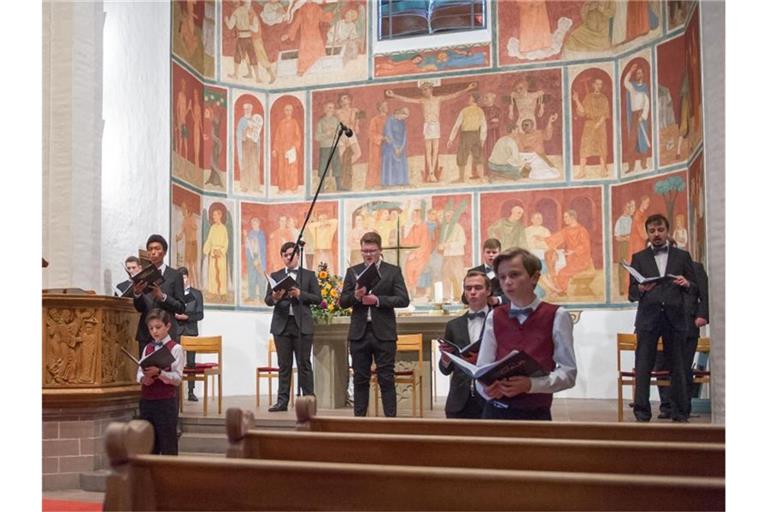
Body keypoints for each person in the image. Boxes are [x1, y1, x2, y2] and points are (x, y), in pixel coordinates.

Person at [475, 248, 577, 420]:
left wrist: (532, 385)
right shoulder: (495, 316)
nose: (507, 282)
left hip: (535, 414)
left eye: (514, 275)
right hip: (495, 412)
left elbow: (568, 373)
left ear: (534, 277)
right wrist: (486, 389)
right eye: (502, 277)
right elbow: (482, 368)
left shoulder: (557, 315)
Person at [628, 214, 696, 422]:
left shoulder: (682, 256)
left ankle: (680, 411)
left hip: (675, 317)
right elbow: (631, 294)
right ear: (647, 233)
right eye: (652, 231)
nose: (656, 234)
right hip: (648, 317)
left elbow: (695, 287)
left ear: (667, 231)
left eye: (660, 230)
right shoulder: (638, 258)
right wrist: (640, 287)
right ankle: (642, 411)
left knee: (678, 366)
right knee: (643, 365)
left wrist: (687, 284)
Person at [339, 232, 410, 416]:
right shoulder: (352, 272)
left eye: (372, 251)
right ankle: (360, 422)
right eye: (364, 251)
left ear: (380, 250)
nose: (368, 254)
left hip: (383, 333)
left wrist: (377, 300)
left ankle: (390, 424)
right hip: (359, 333)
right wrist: (355, 296)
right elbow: (343, 301)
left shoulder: (392, 271)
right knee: (360, 379)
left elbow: (403, 299)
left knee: (386, 378)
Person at [264, 242, 322, 412]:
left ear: (298, 255)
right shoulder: (276, 275)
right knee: (284, 365)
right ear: (282, 257)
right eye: (285, 255)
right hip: (282, 325)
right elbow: (268, 301)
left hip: (302, 325)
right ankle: (282, 401)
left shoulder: (309, 275)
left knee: (304, 364)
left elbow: (318, 298)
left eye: (291, 254)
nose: (289, 257)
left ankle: (309, 401)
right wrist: (275, 297)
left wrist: (300, 294)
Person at [385, 81, 476, 183]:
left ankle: (433, 174)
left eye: (425, 89)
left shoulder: (438, 99)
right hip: (427, 126)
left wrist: (467, 89)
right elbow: (407, 99)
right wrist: (394, 95)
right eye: (423, 90)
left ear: (431, 89)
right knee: (428, 150)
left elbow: (453, 95)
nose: (424, 92)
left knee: (435, 150)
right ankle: (431, 173)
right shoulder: (422, 101)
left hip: (436, 125)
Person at [654, 258, 708, 419]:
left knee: (683, 367)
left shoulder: (695, 267)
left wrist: (702, 315)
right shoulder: (657, 269)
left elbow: (705, 293)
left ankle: (683, 407)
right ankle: (666, 406)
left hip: (688, 323)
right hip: (662, 323)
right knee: (662, 365)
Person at [437, 271, 490, 419]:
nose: (472, 292)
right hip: (459, 400)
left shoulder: (499, 321)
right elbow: (445, 370)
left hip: (490, 398)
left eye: (478, 288)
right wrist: (445, 358)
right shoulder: (453, 325)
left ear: (488, 291)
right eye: (468, 288)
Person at [136, 309, 185, 455]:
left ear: (168, 326)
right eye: (151, 328)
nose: (154, 332)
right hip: (147, 401)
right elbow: (138, 373)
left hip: (165, 402)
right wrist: (145, 379)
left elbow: (177, 378)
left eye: (158, 327)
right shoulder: (148, 347)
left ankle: (169, 476)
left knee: (168, 443)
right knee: (148, 444)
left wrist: (160, 373)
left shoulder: (176, 349)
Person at [133, 235, 186, 356]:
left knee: (165, 372)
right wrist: (137, 294)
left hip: (167, 332)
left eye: (157, 249)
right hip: (145, 332)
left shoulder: (175, 275)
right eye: (150, 249)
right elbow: (139, 308)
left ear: (164, 252)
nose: (153, 252)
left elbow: (181, 307)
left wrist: (163, 297)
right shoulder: (141, 276)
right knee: (146, 372)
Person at [542, 210, 594, 296]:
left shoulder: (582, 230)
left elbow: (585, 246)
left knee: (562, 272)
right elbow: (556, 238)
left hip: (581, 259)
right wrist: (543, 239)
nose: (564, 219)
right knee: (555, 263)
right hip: (570, 258)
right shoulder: (566, 230)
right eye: (564, 217)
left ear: (572, 218)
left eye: (566, 217)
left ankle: (560, 290)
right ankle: (560, 289)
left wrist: (574, 251)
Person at [175, 267, 204, 402]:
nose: (183, 280)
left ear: (188, 278)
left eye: (184, 278)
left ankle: (191, 392)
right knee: (176, 361)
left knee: (191, 363)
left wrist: (186, 317)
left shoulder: (197, 294)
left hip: (191, 331)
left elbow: (200, 314)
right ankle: (176, 391)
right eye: (180, 279)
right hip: (177, 331)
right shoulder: (175, 293)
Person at [572, 77, 610, 178]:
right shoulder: (588, 97)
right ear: (593, 85)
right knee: (585, 147)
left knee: (602, 146)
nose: (598, 86)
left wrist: (598, 123)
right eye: (597, 84)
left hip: (601, 125)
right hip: (589, 125)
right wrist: (576, 100)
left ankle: (602, 170)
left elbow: (605, 113)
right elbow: (582, 112)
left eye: (600, 84)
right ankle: (582, 171)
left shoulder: (604, 98)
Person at [447, 93, 487, 182]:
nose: (468, 99)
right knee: (478, 156)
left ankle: (461, 178)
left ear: (473, 99)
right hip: (476, 135)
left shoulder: (464, 111)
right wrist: (482, 139)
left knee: (462, 155)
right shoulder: (480, 111)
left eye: (470, 98)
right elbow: (484, 127)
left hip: (466, 136)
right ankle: (481, 178)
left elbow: (456, 126)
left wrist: (451, 139)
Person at [623, 63, 651, 173]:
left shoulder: (645, 87)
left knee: (643, 139)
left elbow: (647, 103)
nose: (638, 74)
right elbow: (625, 82)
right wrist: (630, 71)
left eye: (640, 72)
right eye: (637, 73)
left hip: (641, 116)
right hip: (634, 115)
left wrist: (643, 116)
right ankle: (631, 166)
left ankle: (643, 164)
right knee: (632, 141)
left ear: (643, 74)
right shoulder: (632, 86)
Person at [315, 101, 341, 191]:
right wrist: (326, 134)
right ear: (325, 109)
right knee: (323, 166)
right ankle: (321, 187)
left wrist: (335, 133)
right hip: (324, 147)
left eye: (332, 108)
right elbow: (317, 137)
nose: (331, 110)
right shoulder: (321, 122)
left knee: (336, 165)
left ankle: (339, 186)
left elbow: (340, 133)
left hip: (334, 146)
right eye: (329, 107)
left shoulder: (336, 120)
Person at [468, 238, 504, 305]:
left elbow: (515, 294)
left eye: (494, 252)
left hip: (501, 311)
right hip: (479, 311)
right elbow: (464, 298)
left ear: (500, 254)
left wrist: (498, 299)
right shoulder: (472, 272)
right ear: (483, 253)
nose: (491, 255)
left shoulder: (506, 271)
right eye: (488, 252)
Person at [614, 200, 635, 295]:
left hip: (631, 244)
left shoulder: (631, 219)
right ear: (624, 209)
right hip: (623, 245)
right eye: (627, 207)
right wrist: (625, 238)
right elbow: (617, 237)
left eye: (629, 207)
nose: (629, 209)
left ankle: (630, 287)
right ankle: (622, 289)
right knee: (623, 266)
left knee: (632, 265)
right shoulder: (620, 220)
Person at [244, 216, 267, 302]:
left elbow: (262, 248)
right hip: (251, 258)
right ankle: (252, 296)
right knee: (252, 277)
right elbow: (248, 247)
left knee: (261, 277)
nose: (254, 225)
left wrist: (258, 259)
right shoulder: (250, 234)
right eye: (252, 223)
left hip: (259, 258)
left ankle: (262, 296)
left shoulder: (261, 234)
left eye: (255, 223)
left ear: (258, 224)